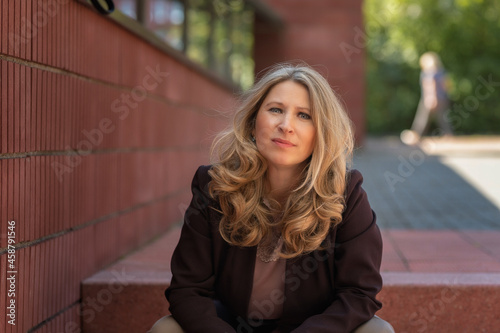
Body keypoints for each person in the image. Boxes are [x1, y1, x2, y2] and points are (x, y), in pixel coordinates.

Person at [149, 63, 394, 333]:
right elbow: (187, 291)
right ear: (254, 122)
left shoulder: (346, 193)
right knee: (165, 329)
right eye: (276, 109)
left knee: (378, 331)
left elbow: (359, 294)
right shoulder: (215, 185)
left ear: (320, 133)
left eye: (304, 115)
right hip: (229, 325)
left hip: (313, 327)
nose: (286, 125)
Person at [401, 52, 453, 145]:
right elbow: (447, 86)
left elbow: (429, 85)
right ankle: (448, 134)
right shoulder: (441, 72)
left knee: (422, 118)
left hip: (430, 98)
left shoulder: (428, 72)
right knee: (443, 118)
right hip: (443, 98)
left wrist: (431, 98)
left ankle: (416, 135)